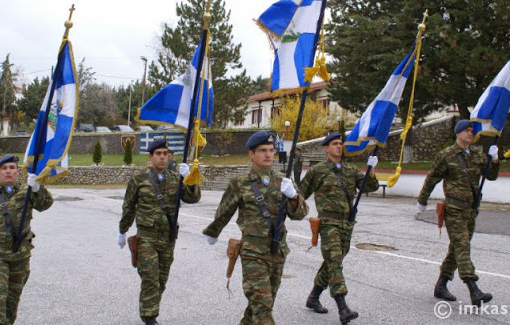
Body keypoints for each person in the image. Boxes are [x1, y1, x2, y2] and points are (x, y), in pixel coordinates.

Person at [202, 130, 308, 325]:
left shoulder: (283, 181)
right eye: (262, 150)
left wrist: (293, 196)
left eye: (270, 150)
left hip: (277, 251)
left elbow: (300, 214)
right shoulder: (240, 183)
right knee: (262, 304)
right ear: (251, 154)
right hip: (253, 252)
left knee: (260, 307)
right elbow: (225, 210)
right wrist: (213, 231)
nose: (268, 154)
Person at [415, 119, 499, 306]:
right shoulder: (447, 155)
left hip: (471, 209)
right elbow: (432, 179)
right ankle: (474, 289)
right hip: (454, 209)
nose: (470, 133)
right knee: (462, 246)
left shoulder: (477, 153)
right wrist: (422, 201)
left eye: (471, 131)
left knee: (456, 249)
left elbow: (491, 176)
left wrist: (494, 160)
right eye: (466, 131)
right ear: (458, 133)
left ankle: (441, 285)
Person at [298, 132, 379, 324]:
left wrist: (372, 168)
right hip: (328, 223)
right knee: (335, 262)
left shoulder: (350, 170)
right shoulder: (317, 171)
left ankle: (313, 297)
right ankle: (342, 307)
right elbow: (300, 194)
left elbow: (370, 187)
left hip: (347, 224)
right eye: (334, 144)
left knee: (331, 263)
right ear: (326, 148)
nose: (338, 147)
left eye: (340, 143)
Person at [118, 139, 197, 325]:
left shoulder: (174, 178)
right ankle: (149, 316)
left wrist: (190, 180)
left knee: (161, 279)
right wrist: (122, 231)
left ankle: (149, 308)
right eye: (158, 154)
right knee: (150, 278)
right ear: (151, 157)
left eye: (165, 154)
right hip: (147, 238)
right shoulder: (138, 180)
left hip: (168, 239)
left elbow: (192, 198)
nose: (162, 158)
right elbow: (128, 207)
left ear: (169, 156)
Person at [0, 154, 53, 324]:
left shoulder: (28, 191)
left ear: (18, 172)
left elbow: (45, 205)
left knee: (11, 302)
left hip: (20, 256)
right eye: (4, 168)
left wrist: (38, 187)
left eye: (12, 168)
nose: (8, 171)